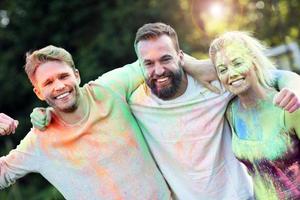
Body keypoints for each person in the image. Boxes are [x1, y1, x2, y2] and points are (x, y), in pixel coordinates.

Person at [32, 23, 300, 200]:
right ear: (139, 66)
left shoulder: (215, 87)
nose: (158, 70)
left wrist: (294, 84)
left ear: (180, 56)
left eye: (166, 59)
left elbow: (264, 76)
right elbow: (81, 103)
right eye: (148, 63)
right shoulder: (133, 103)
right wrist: (48, 114)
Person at [0, 45, 172, 200]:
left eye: (63, 76)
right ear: (39, 92)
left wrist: (198, 68)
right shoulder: (40, 141)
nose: (59, 86)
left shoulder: (110, 89)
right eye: (48, 82)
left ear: (77, 75)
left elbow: (157, 60)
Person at [209, 31, 300, 200]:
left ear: (254, 61)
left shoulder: (288, 104)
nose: (231, 73)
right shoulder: (230, 112)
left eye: (237, 63)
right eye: (222, 70)